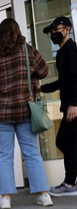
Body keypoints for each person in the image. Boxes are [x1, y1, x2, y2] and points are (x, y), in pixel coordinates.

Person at [0, 18, 53, 209]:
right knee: (31, 152)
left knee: (4, 155)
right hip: (24, 110)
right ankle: (44, 195)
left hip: (0, 113)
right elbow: (45, 71)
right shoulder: (28, 51)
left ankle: (5, 198)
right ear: (17, 32)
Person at [41, 16, 77, 197]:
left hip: (73, 107)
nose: (54, 34)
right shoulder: (62, 53)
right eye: (52, 32)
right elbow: (61, 82)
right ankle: (71, 180)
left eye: (57, 30)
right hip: (68, 106)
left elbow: (75, 78)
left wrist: (73, 104)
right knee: (62, 142)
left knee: (68, 143)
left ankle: (70, 184)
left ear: (68, 29)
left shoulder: (72, 49)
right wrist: (40, 88)